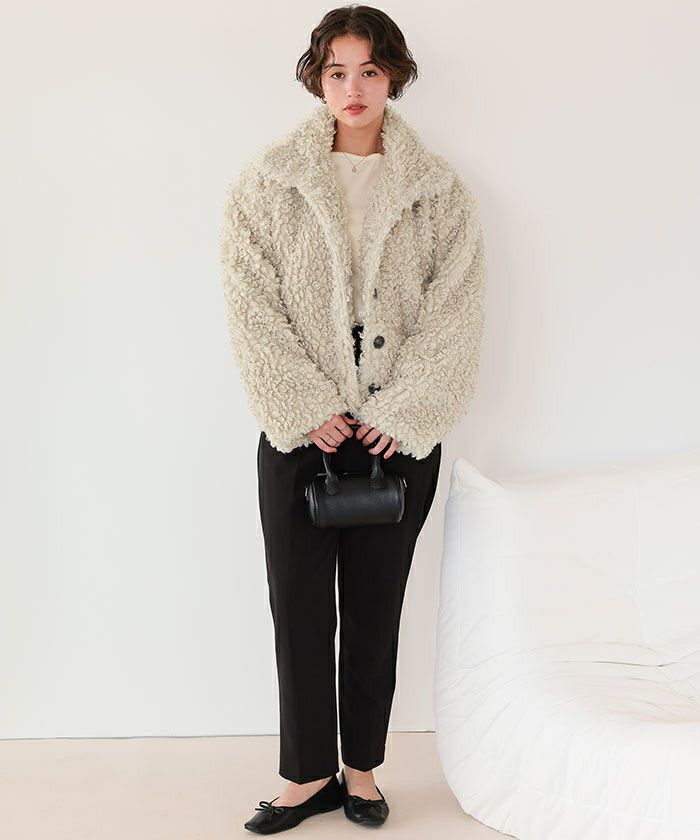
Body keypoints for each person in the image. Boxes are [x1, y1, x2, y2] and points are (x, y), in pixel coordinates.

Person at [219, 5, 487, 834]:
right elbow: (251, 304)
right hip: (298, 434)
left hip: (396, 440)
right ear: (317, 79)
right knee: (299, 611)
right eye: (337, 71)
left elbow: (456, 312)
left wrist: (401, 413)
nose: (354, 87)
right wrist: (307, 406)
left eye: (369, 69)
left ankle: (362, 771)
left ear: (394, 75)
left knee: (375, 611)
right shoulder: (268, 183)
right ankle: (306, 777)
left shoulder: (436, 191)